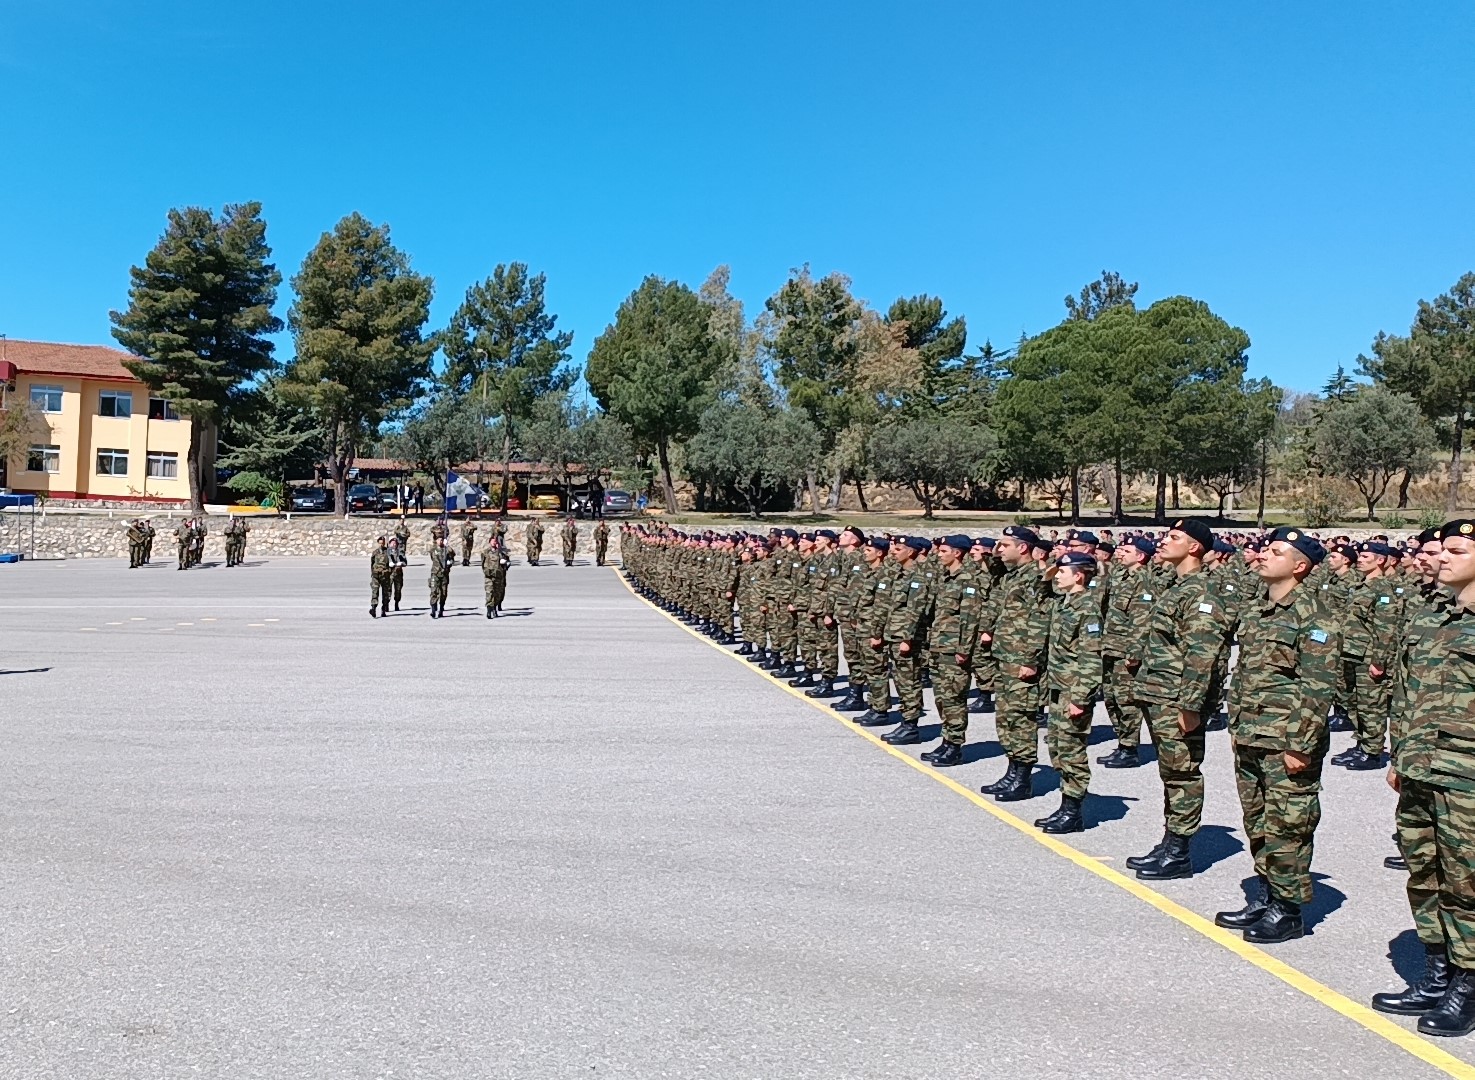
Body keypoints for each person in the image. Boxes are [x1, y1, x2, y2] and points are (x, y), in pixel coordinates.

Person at [1373, 518, 1475, 1036]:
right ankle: (1440, 970)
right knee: (1426, 874)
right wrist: (1399, 756)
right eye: (1443, 549)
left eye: (1457, 550)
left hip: (1467, 777)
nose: (1443, 557)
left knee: (1467, 882)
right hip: (1420, 768)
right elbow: (1408, 696)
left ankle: (1469, 984)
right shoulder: (1434, 617)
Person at [1215, 527, 1339, 944]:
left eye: (1276, 551)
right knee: (1257, 822)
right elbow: (1247, 675)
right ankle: (1267, 894)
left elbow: (1318, 687)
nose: (1264, 555)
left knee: (1288, 825)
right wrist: (1236, 726)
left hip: (1286, 740)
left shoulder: (1315, 616)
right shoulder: (1258, 610)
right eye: (1265, 548)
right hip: (1251, 734)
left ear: (1300, 566)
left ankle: (1288, 910)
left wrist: (1300, 745)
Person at [1125, 519, 1229, 880]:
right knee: (1170, 771)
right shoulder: (1177, 585)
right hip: (1159, 692)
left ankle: (1179, 852)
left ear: (1194, 547)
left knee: (1182, 773)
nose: (1164, 541)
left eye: (1174, 537)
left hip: (1177, 698)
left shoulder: (1202, 592)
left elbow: (1202, 655)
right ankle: (1170, 840)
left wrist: (1190, 706)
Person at [978, 526, 1053, 802]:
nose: (999, 549)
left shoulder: (1036, 577)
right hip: (1005, 656)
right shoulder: (1011, 575)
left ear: (1022, 548)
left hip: (1022, 659)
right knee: (1006, 717)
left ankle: (1022, 778)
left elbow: (1040, 619)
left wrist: (1031, 660)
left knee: (1021, 717)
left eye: (1005, 544)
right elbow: (992, 564)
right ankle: (1012, 770)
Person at [1034, 550, 1105, 833]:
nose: (1057, 576)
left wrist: (1081, 697)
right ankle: (1066, 806)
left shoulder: (1087, 608)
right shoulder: (1065, 603)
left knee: (1071, 749)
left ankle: (1073, 811)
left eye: (1062, 572)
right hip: (1058, 687)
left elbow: (1091, 657)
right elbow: (1040, 598)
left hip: (1073, 690)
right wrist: (1048, 574)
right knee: (1057, 747)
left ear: (1078, 576)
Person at [918, 535, 984, 768]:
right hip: (939, 646)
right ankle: (946, 740)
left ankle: (955, 746)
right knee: (942, 697)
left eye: (944, 551)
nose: (939, 554)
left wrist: (964, 649)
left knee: (954, 697)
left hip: (954, 649)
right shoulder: (946, 578)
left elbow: (970, 617)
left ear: (957, 553)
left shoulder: (968, 579)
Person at [878, 536, 935, 746]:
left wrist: (907, 638)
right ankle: (906, 721)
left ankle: (911, 726)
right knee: (901, 680)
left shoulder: (917, 577)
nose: (893, 551)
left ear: (910, 552)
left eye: (899, 549)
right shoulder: (899, 574)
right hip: (894, 634)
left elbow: (915, 611)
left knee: (909, 680)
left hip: (906, 637)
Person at [481, 535, 510, 617]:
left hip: (498, 576)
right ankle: (489, 609)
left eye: (495, 541)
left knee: (497, 594)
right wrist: (486, 571)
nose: (494, 542)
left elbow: (507, 564)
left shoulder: (501, 553)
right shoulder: (485, 552)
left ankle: (495, 607)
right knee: (489, 592)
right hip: (489, 576)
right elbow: (483, 563)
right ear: (490, 542)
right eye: (492, 541)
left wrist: (505, 562)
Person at [428, 536, 455, 618]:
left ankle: (441, 608)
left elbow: (453, 554)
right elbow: (433, 557)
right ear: (436, 541)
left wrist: (447, 546)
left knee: (443, 593)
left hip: (444, 574)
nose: (440, 541)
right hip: (435, 573)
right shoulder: (434, 549)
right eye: (439, 539)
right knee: (434, 591)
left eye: (442, 540)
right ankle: (433, 610)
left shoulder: (446, 549)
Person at [370, 536, 393, 618]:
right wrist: (373, 573)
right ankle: (373, 608)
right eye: (380, 543)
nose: (381, 545)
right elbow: (372, 563)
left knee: (385, 593)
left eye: (382, 543)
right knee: (375, 592)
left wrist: (389, 572)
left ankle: (384, 609)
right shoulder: (375, 552)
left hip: (385, 576)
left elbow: (392, 563)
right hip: (376, 575)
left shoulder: (388, 552)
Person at [387, 536, 406, 610]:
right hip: (389, 573)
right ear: (389, 544)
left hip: (398, 573)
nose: (394, 544)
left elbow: (405, 562)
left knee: (398, 589)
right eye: (392, 543)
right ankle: (386, 604)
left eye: (395, 543)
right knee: (388, 589)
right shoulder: (386, 552)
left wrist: (401, 563)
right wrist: (389, 563)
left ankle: (396, 603)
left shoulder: (400, 552)